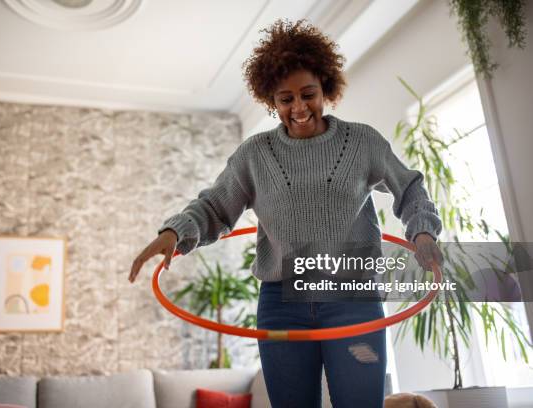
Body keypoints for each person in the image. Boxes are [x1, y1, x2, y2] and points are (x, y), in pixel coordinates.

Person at [129, 19, 443, 408]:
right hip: (281, 303)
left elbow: (409, 187)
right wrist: (175, 233)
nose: (298, 108)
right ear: (271, 101)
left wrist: (423, 233)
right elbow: (214, 206)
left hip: (351, 295)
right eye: (285, 99)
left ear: (325, 88)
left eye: (308, 94)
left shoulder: (362, 142)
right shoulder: (254, 154)